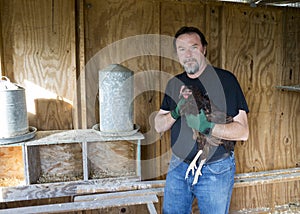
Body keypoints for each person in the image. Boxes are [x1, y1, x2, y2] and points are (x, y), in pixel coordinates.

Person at [154, 26, 249, 214]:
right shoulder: (174, 83)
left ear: (204, 49)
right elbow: (158, 125)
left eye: (194, 47)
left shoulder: (226, 81)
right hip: (179, 166)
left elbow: (243, 132)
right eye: (182, 49)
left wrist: (207, 126)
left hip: (216, 169)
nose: (188, 54)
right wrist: (175, 112)